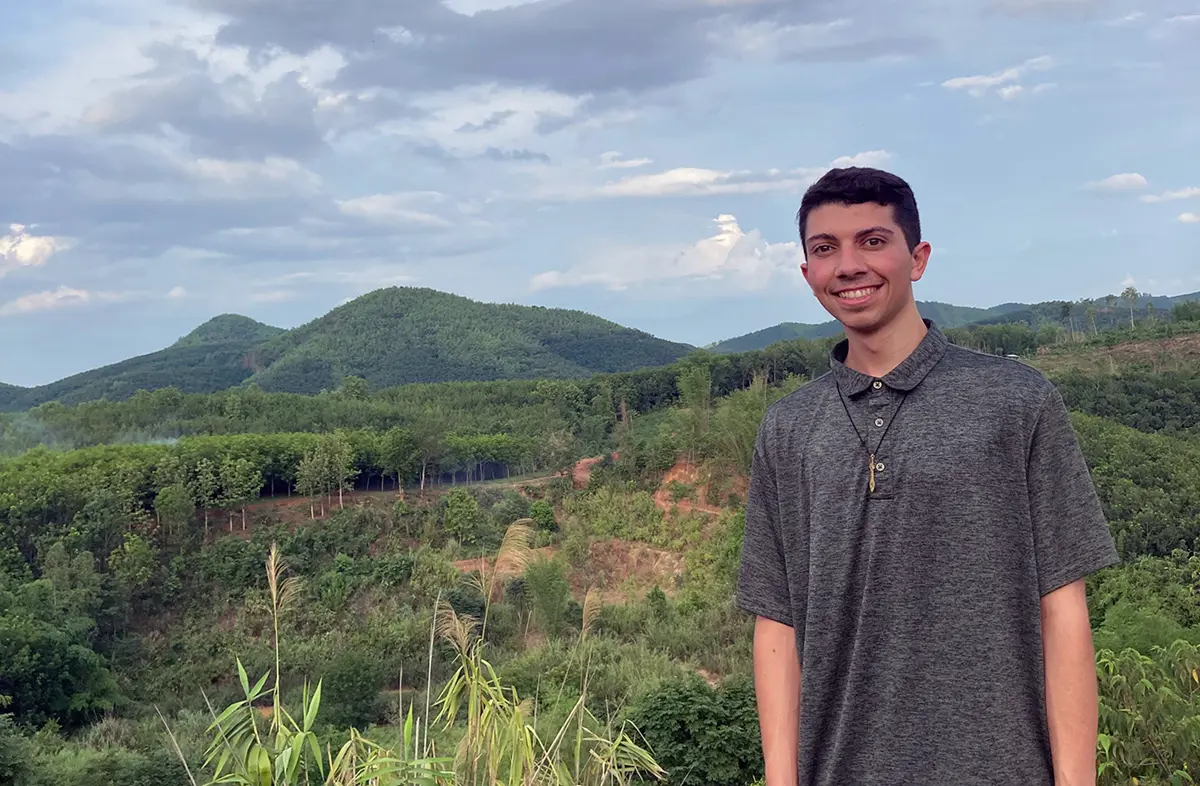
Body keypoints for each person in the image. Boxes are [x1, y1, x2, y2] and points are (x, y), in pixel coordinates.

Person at [735, 166, 1119, 786]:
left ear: (917, 258)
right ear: (808, 275)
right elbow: (776, 622)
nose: (849, 264)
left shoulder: (1015, 402)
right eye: (825, 248)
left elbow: (1063, 609)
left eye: (873, 240)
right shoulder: (788, 428)